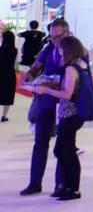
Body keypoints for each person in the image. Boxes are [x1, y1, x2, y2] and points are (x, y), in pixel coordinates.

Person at [28, 36, 90, 201]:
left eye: (62, 51)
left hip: (69, 114)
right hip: (71, 114)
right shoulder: (80, 64)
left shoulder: (71, 68)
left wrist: (46, 90)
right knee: (63, 150)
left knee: (65, 152)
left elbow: (67, 94)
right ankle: (67, 187)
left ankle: (71, 189)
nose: (60, 53)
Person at [21, 18, 72, 197]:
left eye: (58, 37)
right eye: (52, 37)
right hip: (45, 102)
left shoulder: (74, 49)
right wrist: (29, 76)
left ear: (67, 33)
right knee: (40, 142)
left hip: (65, 104)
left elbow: (77, 76)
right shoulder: (49, 47)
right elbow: (37, 65)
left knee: (62, 146)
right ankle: (35, 183)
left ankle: (61, 184)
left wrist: (56, 83)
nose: (55, 40)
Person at [0, 29, 16, 121]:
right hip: (10, 74)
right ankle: (4, 116)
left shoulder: (0, 49)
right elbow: (15, 62)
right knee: (8, 94)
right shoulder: (15, 50)